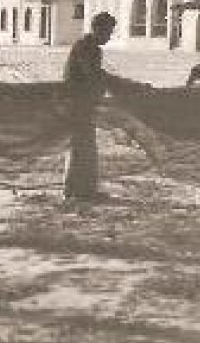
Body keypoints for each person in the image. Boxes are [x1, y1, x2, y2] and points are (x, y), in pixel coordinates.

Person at [62, 11, 148, 202]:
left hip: (83, 103)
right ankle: (76, 191)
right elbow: (92, 75)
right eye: (108, 32)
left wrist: (120, 84)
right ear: (97, 29)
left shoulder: (91, 47)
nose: (109, 36)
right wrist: (122, 85)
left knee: (85, 147)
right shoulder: (86, 47)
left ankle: (81, 190)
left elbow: (97, 75)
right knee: (81, 146)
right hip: (77, 103)